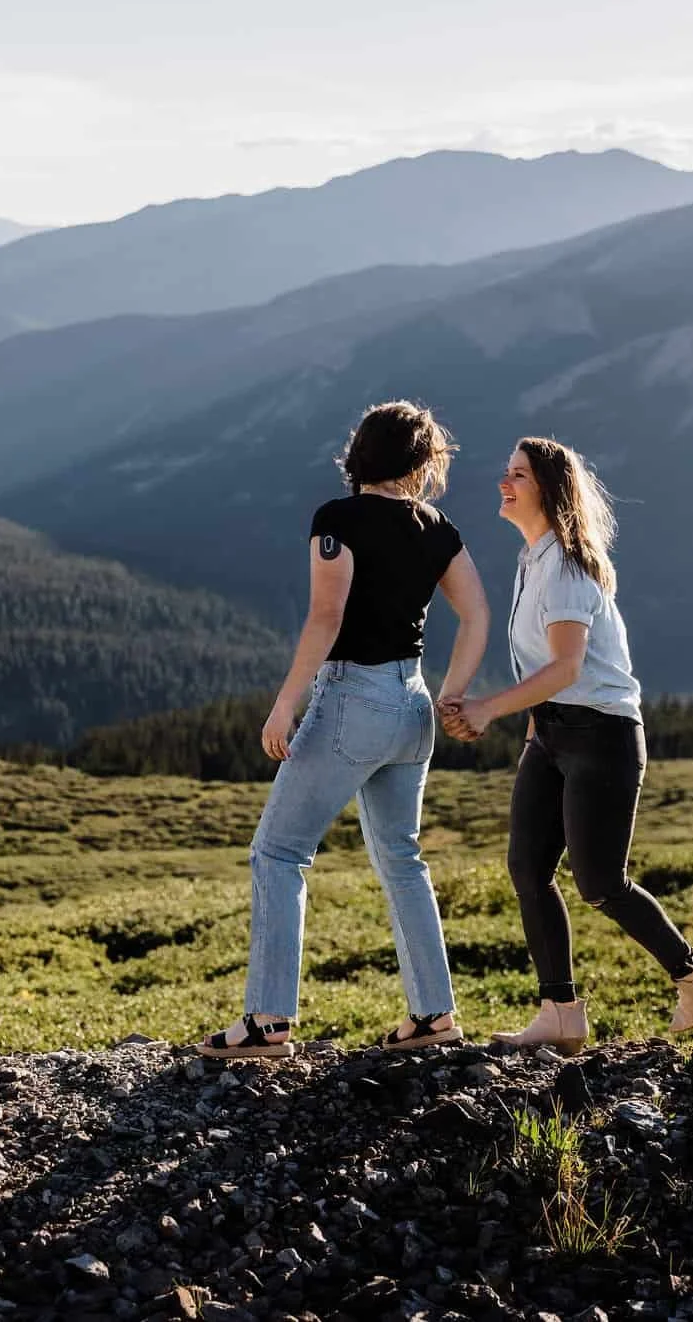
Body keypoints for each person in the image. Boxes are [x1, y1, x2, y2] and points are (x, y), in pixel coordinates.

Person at [202, 401, 491, 1059]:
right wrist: (451, 695)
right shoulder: (439, 527)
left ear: (360, 452)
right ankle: (434, 1015)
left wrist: (284, 706)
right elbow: (475, 615)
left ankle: (268, 1022)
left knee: (278, 852)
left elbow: (326, 618)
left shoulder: (337, 520)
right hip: (413, 704)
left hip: (349, 700)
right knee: (401, 857)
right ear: (419, 463)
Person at [442, 437, 693, 1055]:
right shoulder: (531, 559)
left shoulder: (569, 566)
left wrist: (488, 708)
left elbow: (568, 667)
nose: (504, 483)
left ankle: (692, 972)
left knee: (601, 882)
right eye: (506, 473)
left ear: (549, 489)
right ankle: (561, 1012)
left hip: (601, 734)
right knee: (527, 868)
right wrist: (526, 734)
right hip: (549, 735)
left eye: (517, 475)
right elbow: (541, 668)